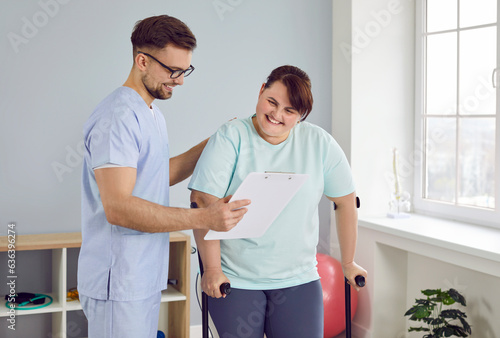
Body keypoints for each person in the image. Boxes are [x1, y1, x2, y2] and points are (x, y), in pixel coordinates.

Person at [78, 15, 250, 338]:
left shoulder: (151, 114)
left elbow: (158, 174)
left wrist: (216, 141)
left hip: (142, 277)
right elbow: (119, 207)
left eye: (185, 71)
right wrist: (205, 218)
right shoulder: (118, 118)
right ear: (141, 61)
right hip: (119, 282)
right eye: (173, 71)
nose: (180, 80)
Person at [189, 65, 367, 338]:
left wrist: (349, 262)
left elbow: (346, 201)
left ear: (301, 116)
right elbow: (203, 201)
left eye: (289, 111)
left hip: (298, 278)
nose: (276, 114)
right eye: (272, 102)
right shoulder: (231, 136)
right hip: (236, 278)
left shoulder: (318, 143)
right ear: (261, 91)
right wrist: (212, 270)